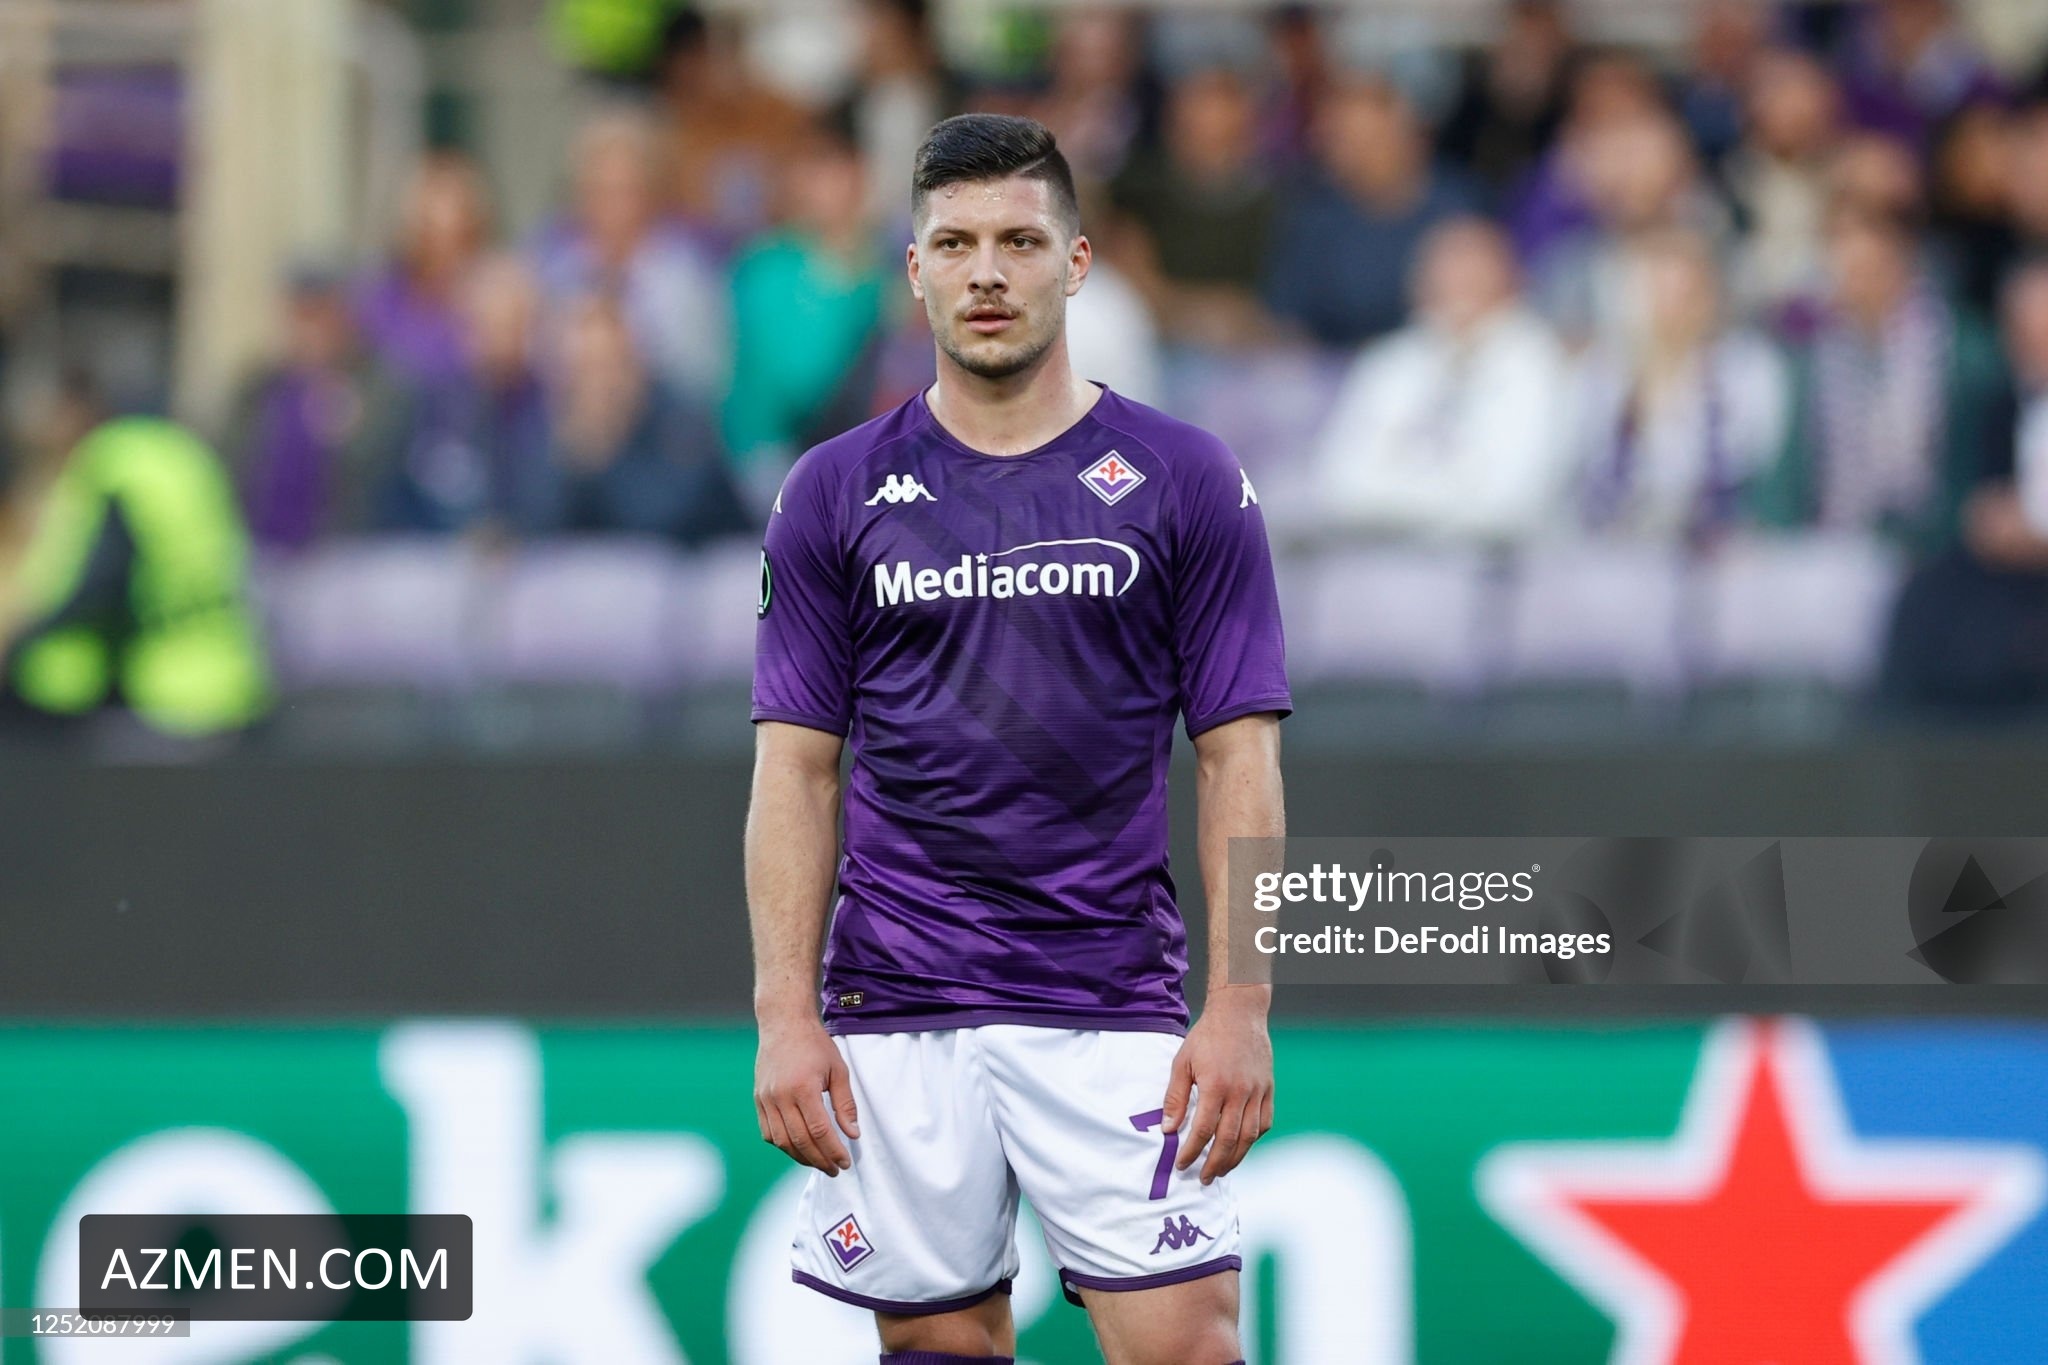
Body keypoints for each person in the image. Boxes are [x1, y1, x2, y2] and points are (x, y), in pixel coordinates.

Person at [749, 113, 1287, 1364]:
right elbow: (795, 770)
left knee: (1188, 1348)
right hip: (895, 1003)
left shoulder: (1182, 480)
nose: (985, 272)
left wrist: (1240, 1005)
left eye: (1018, 241)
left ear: (1076, 262)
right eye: (954, 243)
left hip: (1109, 999)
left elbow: (1239, 757)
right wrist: (782, 1012)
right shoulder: (831, 492)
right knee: (936, 1352)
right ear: (913, 268)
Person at [4, 375, 270, 737]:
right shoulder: (182, 450)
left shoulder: (114, 460)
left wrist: (19, 641)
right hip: (230, 674)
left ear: (76, 411)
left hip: (164, 689)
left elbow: (105, 581)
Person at [1310, 217, 1574, 541]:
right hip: (1375, 550)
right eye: (1447, 265)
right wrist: (1437, 496)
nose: (1459, 279)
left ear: (1511, 278)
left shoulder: (1542, 363)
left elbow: (1511, 501)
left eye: (1474, 266)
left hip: (1496, 560)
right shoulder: (1387, 362)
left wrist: (1396, 495)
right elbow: (1338, 483)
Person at [1572, 229, 1790, 541]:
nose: (1671, 312)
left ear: (1711, 298)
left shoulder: (1745, 368)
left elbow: (1754, 465)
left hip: (1719, 546)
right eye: (1658, 295)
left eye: (1685, 296)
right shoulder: (1602, 373)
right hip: (1618, 545)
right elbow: (1587, 474)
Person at [1262, 73, 1481, 350]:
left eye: (1370, 139)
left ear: (1408, 138)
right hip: (1333, 367)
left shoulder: (1459, 206)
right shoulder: (1313, 216)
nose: (1355, 154)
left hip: (1437, 363)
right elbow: (1287, 319)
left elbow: (1485, 316)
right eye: (1343, 140)